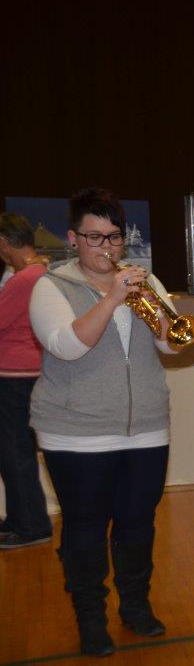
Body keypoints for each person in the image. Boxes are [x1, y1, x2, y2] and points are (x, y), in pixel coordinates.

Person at [28, 188, 181, 656]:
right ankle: (91, 617)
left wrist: (152, 303)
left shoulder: (144, 281)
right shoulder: (51, 286)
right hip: (75, 430)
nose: (106, 247)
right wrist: (113, 298)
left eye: (114, 237)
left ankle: (135, 605)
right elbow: (68, 346)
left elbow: (173, 344)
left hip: (146, 426)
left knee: (138, 524)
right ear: (73, 238)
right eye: (94, 237)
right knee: (85, 528)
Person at [0, 213, 53, 550]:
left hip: (14, 376)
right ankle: (21, 518)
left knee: (14, 450)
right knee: (17, 450)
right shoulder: (41, 272)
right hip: (28, 372)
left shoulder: (25, 279)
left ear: (5, 243)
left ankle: (31, 524)